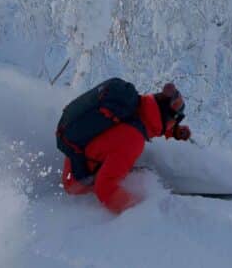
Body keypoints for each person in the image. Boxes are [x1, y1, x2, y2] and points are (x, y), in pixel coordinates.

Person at [61, 82, 191, 213]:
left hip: (76, 155)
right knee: (137, 173)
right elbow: (105, 187)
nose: (173, 125)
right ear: (166, 117)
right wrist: (139, 208)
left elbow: (154, 123)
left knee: (136, 170)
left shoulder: (138, 105)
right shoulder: (133, 140)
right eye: (174, 122)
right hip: (76, 181)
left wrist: (174, 131)